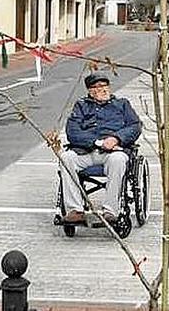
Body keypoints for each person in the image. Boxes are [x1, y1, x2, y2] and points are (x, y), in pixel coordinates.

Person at [60, 73, 142, 224]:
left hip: (114, 151)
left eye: (104, 86)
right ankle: (75, 210)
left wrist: (116, 138)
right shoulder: (81, 106)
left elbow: (135, 126)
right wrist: (98, 143)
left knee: (118, 160)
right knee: (66, 158)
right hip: (86, 151)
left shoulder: (122, 104)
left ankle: (110, 211)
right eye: (97, 87)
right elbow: (72, 132)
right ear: (90, 91)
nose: (102, 89)